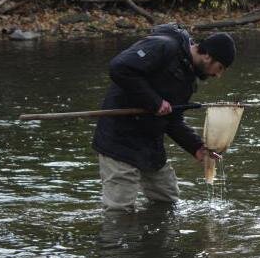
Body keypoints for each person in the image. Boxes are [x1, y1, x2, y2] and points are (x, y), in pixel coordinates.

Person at [92, 23, 236, 211]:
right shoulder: (163, 46)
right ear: (208, 55)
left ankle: (154, 239)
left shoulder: (188, 79)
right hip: (119, 141)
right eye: (220, 67)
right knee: (120, 210)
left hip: (150, 144)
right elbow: (119, 67)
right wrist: (155, 102)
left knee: (167, 201)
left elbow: (173, 120)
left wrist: (197, 148)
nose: (218, 75)